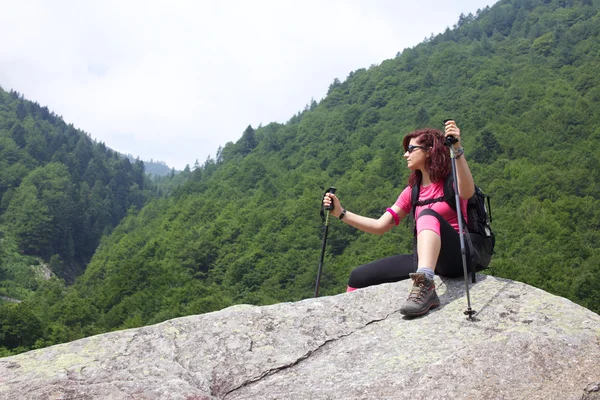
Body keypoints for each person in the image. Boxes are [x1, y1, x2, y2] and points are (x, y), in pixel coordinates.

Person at [322, 120, 475, 317]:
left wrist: (457, 149)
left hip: (458, 257)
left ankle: (425, 285)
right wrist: (341, 213)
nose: (405, 154)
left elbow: (467, 191)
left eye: (411, 149)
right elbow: (380, 226)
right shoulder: (413, 191)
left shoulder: (452, 181)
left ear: (429, 151)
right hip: (426, 260)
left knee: (427, 215)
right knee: (358, 277)